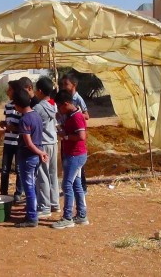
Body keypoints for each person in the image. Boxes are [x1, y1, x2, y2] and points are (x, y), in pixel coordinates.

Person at [52, 89, 89, 229]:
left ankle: (67, 217)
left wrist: (65, 136)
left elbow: (81, 136)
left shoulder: (76, 117)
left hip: (75, 155)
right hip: (73, 154)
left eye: (60, 106)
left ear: (66, 104)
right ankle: (81, 215)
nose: (60, 110)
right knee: (76, 184)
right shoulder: (70, 115)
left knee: (67, 184)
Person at [13, 89, 48, 228]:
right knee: (32, 185)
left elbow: (28, 143)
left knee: (28, 188)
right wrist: (41, 153)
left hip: (28, 157)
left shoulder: (24, 120)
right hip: (36, 156)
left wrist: (39, 153)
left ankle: (32, 218)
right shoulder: (36, 116)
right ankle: (30, 213)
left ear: (18, 105)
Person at [33, 77, 60, 217]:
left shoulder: (38, 107)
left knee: (42, 175)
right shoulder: (53, 105)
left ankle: (44, 207)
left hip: (43, 144)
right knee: (52, 174)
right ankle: (55, 203)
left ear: (40, 91)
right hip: (53, 143)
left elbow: (34, 125)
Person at [61, 71, 89, 193]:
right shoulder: (65, 97)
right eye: (63, 84)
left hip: (75, 132)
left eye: (66, 84)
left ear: (74, 85)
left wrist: (76, 115)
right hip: (68, 132)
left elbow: (87, 115)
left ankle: (83, 187)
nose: (64, 87)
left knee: (78, 165)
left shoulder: (78, 99)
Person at [0, 80, 23, 203]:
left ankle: (18, 193)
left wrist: (14, 128)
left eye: (9, 89)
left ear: (14, 90)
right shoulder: (8, 106)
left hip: (18, 142)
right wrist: (3, 124)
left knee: (19, 169)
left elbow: (25, 126)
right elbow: (7, 120)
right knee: (5, 169)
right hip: (8, 142)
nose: (7, 91)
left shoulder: (23, 106)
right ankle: (3, 193)